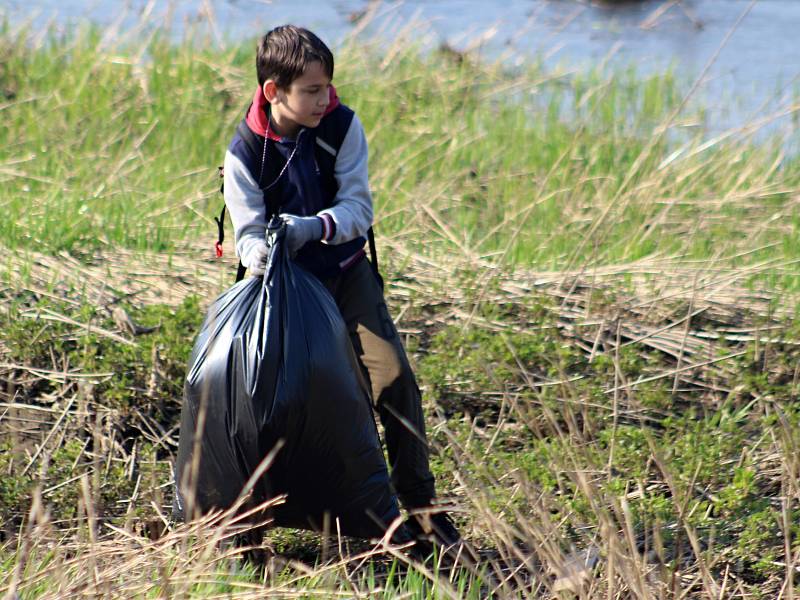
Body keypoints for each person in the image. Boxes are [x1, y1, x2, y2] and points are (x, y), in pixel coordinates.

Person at [222, 24, 464, 557]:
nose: (324, 98)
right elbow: (244, 228)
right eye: (310, 90)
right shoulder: (244, 151)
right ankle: (248, 523)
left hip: (347, 273)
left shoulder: (342, 127)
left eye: (327, 86)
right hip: (286, 289)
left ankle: (421, 511)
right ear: (273, 92)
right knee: (268, 398)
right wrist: (257, 252)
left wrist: (316, 226)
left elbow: (360, 208)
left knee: (393, 381)